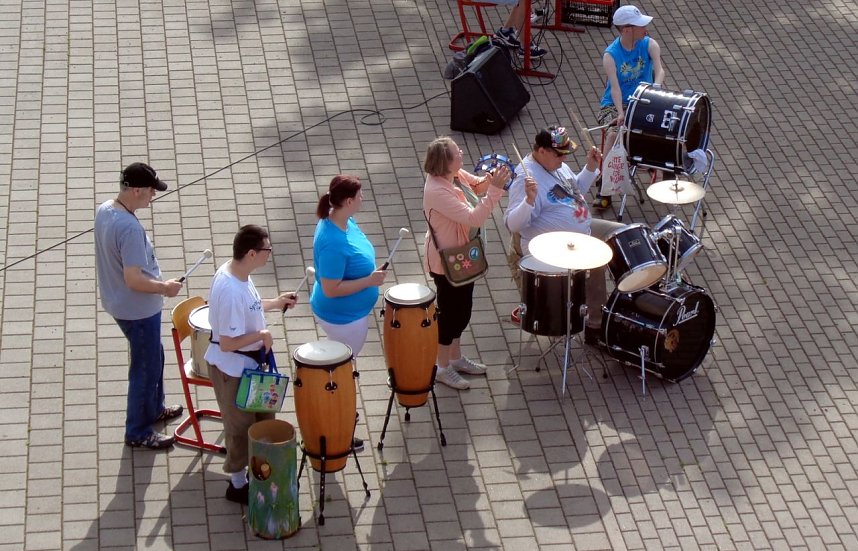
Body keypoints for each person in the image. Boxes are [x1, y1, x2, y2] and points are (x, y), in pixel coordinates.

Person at [94, 162, 185, 451]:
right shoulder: (129, 228)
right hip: (137, 309)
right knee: (145, 369)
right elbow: (133, 279)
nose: (153, 196)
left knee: (154, 356)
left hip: (117, 301)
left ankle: (154, 408)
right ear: (135, 191)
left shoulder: (105, 209)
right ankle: (137, 431)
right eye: (150, 191)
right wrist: (165, 288)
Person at [205, 224, 298, 504]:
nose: (270, 254)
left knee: (263, 420)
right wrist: (261, 335)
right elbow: (226, 343)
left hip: (250, 370)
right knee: (239, 428)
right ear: (252, 253)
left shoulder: (239, 273)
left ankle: (259, 472)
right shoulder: (230, 290)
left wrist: (276, 302)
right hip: (232, 372)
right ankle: (237, 484)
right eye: (267, 249)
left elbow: (252, 307)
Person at [504, 126, 624, 343]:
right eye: (559, 154)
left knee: (622, 234)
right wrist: (529, 200)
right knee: (595, 260)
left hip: (581, 228)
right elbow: (513, 224)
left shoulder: (556, 165)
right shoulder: (525, 178)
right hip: (551, 244)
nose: (564, 158)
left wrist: (590, 168)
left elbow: (574, 191)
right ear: (542, 151)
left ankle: (629, 295)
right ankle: (595, 326)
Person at [422, 137, 510, 390]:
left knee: (463, 311)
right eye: (457, 152)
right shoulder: (437, 191)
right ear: (445, 162)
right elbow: (474, 218)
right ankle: (442, 368)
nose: (461, 153)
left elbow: (477, 187)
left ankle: (456, 358)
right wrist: (495, 190)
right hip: (446, 263)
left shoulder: (454, 174)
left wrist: (491, 180)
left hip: (462, 257)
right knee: (450, 316)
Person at [592, 4, 665, 210]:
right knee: (613, 135)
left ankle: (655, 165)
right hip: (615, 104)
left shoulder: (650, 44)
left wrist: (655, 90)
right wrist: (621, 113)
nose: (646, 29)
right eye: (640, 25)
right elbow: (615, 89)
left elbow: (660, 70)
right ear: (626, 30)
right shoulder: (610, 55)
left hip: (644, 100)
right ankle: (604, 188)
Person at [310, 175, 387, 358]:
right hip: (343, 319)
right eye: (360, 195)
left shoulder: (343, 219)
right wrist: (369, 281)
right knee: (344, 363)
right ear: (349, 201)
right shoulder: (333, 243)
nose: (363, 197)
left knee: (337, 357)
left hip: (347, 316)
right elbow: (331, 289)